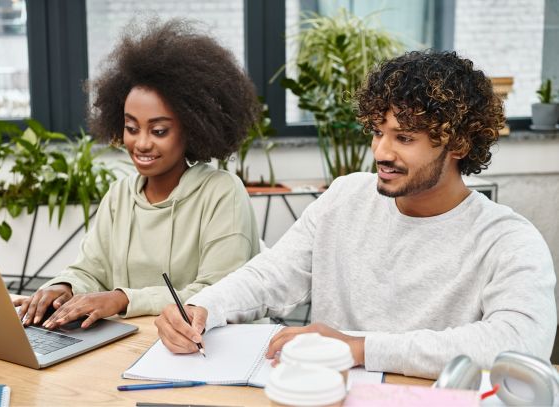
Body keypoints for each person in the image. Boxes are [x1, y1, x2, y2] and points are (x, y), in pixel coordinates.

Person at [155, 50, 556, 379]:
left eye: (404, 138)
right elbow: (271, 275)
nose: (381, 152)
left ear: (459, 144)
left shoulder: (508, 240)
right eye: (378, 131)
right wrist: (204, 308)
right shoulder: (346, 197)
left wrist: (360, 347)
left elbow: (521, 344)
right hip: (327, 395)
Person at [14, 19, 261, 330]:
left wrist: (122, 299)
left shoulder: (222, 193)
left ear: (194, 129)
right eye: (131, 128)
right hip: (131, 346)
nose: (141, 143)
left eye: (159, 130)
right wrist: (64, 288)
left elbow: (221, 293)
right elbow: (92, 270)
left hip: (208, 349)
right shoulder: (120, 194)